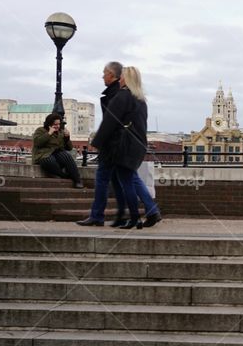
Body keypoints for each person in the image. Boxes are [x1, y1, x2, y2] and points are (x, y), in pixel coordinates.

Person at [77, 62, 162, 228]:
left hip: (122, 146)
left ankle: (131, 217)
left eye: (122, 76)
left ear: (126, 78)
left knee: (124, 181)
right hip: (137, 145)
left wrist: (97, 142)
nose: (120, 79)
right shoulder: (140, 99)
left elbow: (110, 122)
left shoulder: (122, 96)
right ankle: (144, 213)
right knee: (128, 179)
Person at [32, 113, 83, 188]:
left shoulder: (61, 132)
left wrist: (67, 138)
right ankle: (65, 176)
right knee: (47, 160)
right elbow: (37, 143)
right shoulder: (40, 130)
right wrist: (49, 133)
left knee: (67, 156)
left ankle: (77, 180)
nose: (57, 126)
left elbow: (69, 148)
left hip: (57, 154)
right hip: (43, 154)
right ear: (49, 124)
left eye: (59, 124)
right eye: (55, 124)